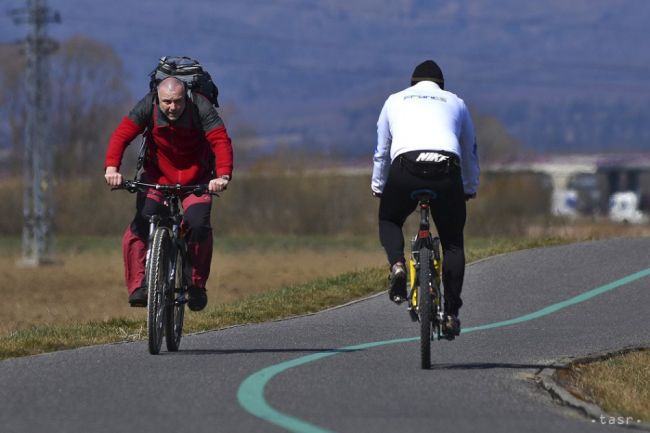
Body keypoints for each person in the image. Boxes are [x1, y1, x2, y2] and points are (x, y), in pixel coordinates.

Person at [104, 76, 233, 311]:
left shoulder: (200, 108)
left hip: (198, 179)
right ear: (158, 99)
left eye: (177, 101)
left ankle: (195, 284)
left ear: (185, 98)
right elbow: (122, 135)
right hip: (158, 177)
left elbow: (220, 140)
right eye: (167, 102)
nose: (172, 107)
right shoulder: (147, 106)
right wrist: (112, 168)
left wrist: (222, 176)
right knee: (142, 222)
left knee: (197, 224)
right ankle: (139, 286)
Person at [371, 59, 479, 336]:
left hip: (405, 167)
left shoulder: (394, 101)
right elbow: (469, 152)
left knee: (389, 219)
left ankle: (397, 265)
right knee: (453, 242)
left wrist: (378, 185)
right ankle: (452, 313)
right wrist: (469, 187)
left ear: (412, 85)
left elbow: (382, 152)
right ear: (441, 86)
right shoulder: (456, 102)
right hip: (446, 169)